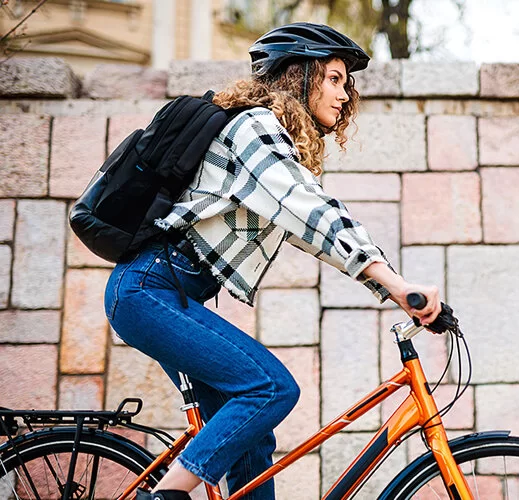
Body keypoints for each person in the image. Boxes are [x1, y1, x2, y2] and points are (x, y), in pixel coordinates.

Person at [104, 22, 442, 500]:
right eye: (334, 78)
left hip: (162, 292)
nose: (345, 94)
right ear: (297, 76)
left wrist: (388, 288)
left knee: (252, 445)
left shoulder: (270, 139)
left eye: (347, 83)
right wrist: (394, 280)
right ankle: (164, 497)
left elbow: (308, 229)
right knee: (270, 388)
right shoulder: (256, 127)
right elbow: (311, 210)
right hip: (149, 291)